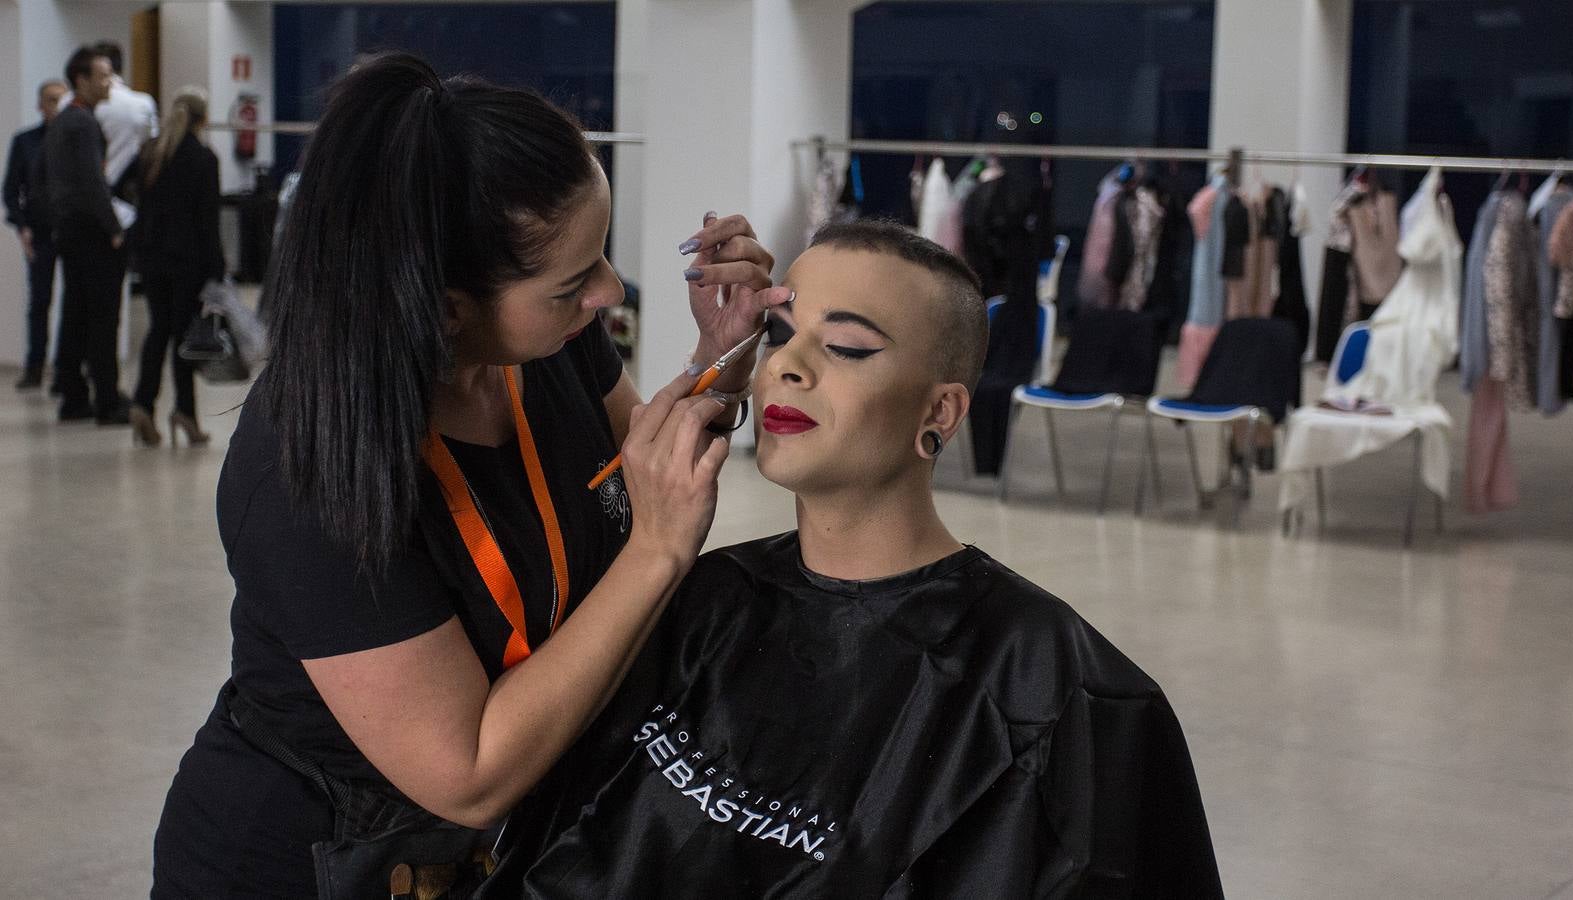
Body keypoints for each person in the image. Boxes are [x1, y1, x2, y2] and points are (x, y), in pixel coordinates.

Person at [150, 53, 786, 899]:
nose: (609, 291)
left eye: (602, 257)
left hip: (492, 852)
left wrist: (721, 356)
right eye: (572, 284)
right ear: (444, 308)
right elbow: (468, 770)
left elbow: (636, 472)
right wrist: (660, 552)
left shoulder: (548, 342)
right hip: (316, 862)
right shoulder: (303, 468)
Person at [487, 220, 1225, 898]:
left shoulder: (1052, 691)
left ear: (940, 413)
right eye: (779, 334)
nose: (787, 368)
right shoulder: (701, 599)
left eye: (847, 347)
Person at [125, 87, 224, 447]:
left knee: (158, 330)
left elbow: (131, 195)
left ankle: (142, 403)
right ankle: (185, 411)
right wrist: (218, 269)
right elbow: (207, 220)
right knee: (184, 337)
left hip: (152, 259)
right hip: (189, 261)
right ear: (203, 119)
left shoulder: (151, 153)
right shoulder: (203, 158)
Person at [44, 46, 130, 424]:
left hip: (71, 229)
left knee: (76, 314)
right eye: (103, 75)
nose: (109, 82)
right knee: (101, 317)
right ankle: (107, 400)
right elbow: (93, 183)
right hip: (90, 232)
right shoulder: (81, 123)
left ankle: (72, 392)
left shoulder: (65, 121)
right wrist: (113, 227)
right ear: (82, 80)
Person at [2, 79, 66, 390]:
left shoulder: (75, 140)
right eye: (51, 100)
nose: (56, 106)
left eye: (61, 99)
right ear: (41, 105)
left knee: (76, 302)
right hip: (40, 232)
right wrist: (22, 226)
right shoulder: (26, 141)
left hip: (71, 231)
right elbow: (11, 191)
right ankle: (35, 365)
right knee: (39, 300)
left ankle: (69, 369)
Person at [88, 40, 159, 190]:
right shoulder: (143, 103)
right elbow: (151, 145)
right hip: (126, 187)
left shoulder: (75, 105)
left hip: (91, 188)